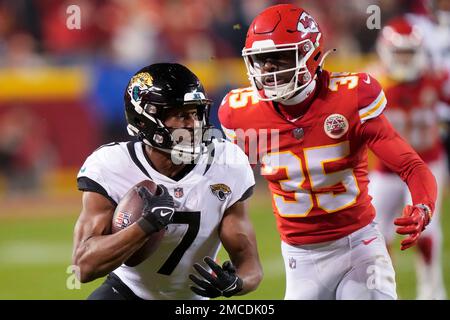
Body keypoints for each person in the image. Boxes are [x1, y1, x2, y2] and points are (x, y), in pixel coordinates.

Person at [219, 4, 437, 300]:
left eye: (280, 57)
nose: (269, 69)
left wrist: (423, 205)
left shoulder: (350, 96)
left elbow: (412, 165)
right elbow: (221, 191)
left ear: (311, 55)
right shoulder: (239, 113)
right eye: (262, 60)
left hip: (359, 246)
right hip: (299, 260)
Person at [73, 63, 263, 300]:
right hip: (128, 291)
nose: (193, 125)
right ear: (145, 120)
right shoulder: (112, 164)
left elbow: (251, 266)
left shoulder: (226, 162)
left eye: (196, 114)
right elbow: (83, 267)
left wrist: (235, 283)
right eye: (182, 115)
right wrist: (146, 225)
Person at [369, 17, 448, 300]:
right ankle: (381, 292)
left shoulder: (437, 79)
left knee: (426, 232)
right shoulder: (373, 83)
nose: (404, 58)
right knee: (374, 236)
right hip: (386, 169)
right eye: (400, 52)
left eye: (409, 52)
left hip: (427, 163)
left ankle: (433, 293)